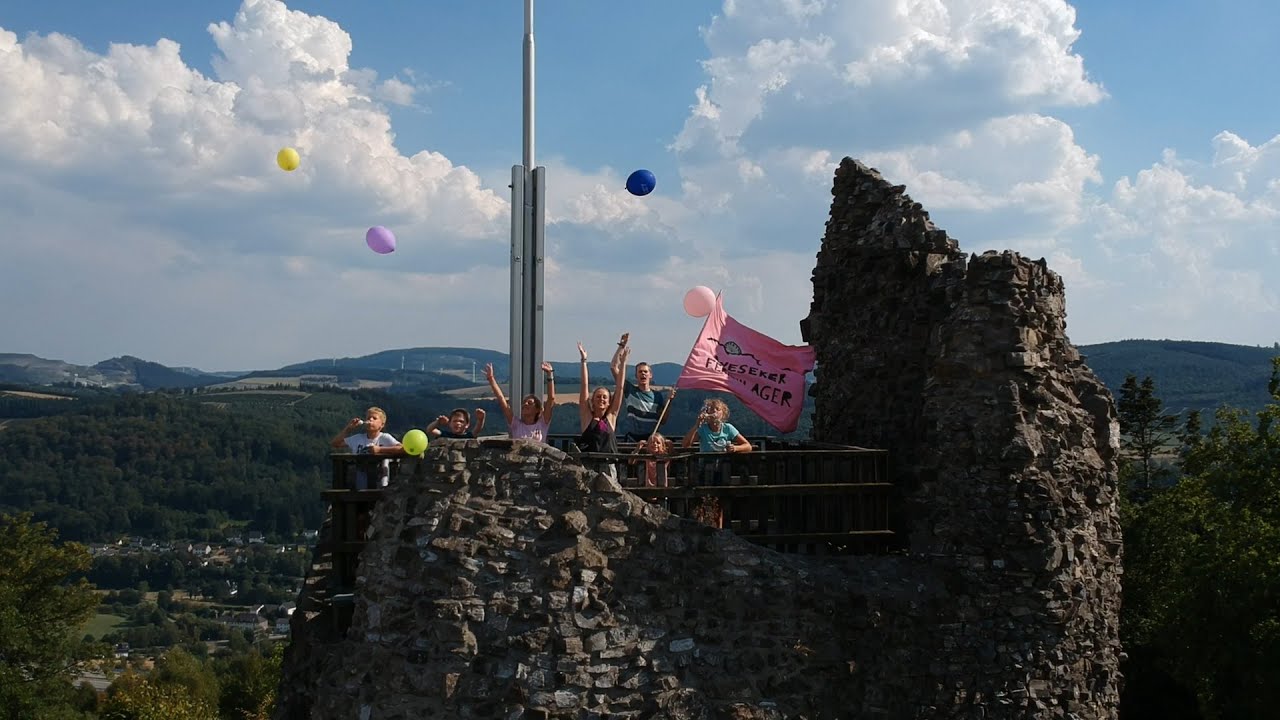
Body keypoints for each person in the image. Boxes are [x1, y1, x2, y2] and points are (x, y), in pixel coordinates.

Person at [577, 341, 626, 479]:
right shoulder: (587, 417)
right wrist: (583, 360)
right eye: (598, 397)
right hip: (589, 464)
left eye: (605, 397)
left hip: (608, 464)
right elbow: (584, 386)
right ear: (592, 401)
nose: (601, 399)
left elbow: (620, 388)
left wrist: (623, 364)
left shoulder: (611, 417)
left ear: (609, 401)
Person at [611, 332, 669, 442]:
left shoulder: (658, 396)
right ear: (636, 375)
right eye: (640, 372)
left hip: (651, 442)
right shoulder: (630, 390)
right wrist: (621, 347)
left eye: (645, 372)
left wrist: (669, 403)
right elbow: (614, 367)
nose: (643, 374)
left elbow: (663, 420)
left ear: (650, 375)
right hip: (633, 440)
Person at [681, 398, 752, 485]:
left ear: (723, 414)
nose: (714, 412)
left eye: (717, 409)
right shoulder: (703, 429)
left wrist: (735, 448)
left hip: (724, 470)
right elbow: (685, 445)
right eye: (711, 410)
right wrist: (697, 425)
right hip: (705, 469)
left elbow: (748, 446)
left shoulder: (728, 428)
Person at [330, 406, 402, 489]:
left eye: (374, 418)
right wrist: (349, 428)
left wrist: (380, 449)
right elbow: (335, 443)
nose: (370, 420)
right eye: (368, 418)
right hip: (359, 481)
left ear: (381, 425)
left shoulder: (385, 438)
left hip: (379, 481)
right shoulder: (358, 438)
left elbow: (402, 449)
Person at [485, 361, 556, 442]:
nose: (525, 404)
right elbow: (502, 400)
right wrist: (491, 378)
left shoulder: (542, 424)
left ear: (537, 409)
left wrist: (550, 374)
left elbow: (551, 398)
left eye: (530, 403)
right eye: (524, 403)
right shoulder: (516, 424)